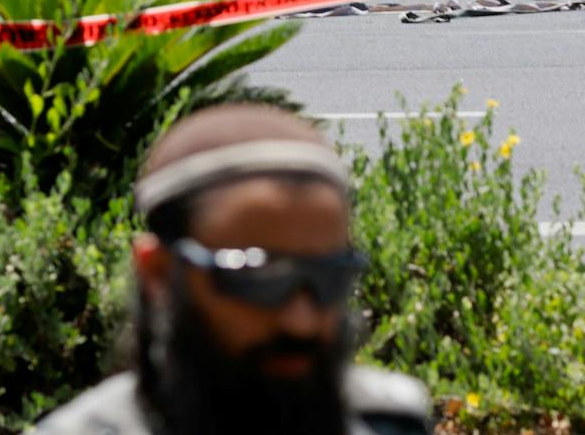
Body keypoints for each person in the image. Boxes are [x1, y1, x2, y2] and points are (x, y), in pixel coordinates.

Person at [33, 104, 432, 435]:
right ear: (157, 272)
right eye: (257, 276)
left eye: (329, 276)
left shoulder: (394, 422)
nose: (302, 322)